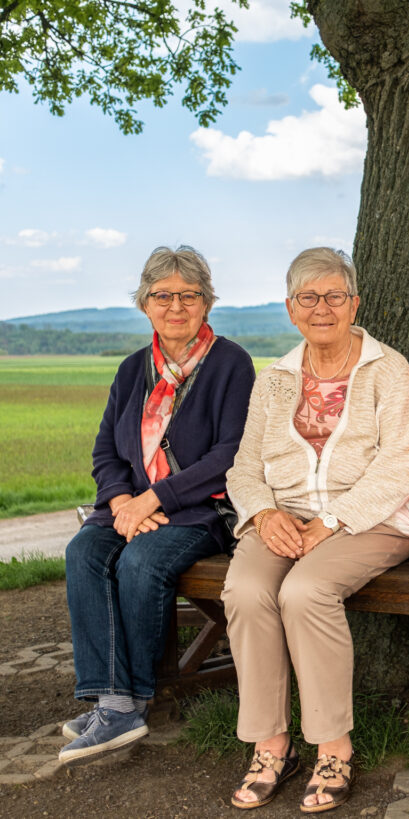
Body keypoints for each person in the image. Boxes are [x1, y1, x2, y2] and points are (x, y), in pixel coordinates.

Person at [222, 247, 409, 813]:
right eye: (309, 298)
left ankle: (334, 748)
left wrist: (332, 522)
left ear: (354, 303)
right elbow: (244, 466)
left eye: (335, 296)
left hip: (370, 517)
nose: (323, 308)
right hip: (284, 517)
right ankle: (270, 743)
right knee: (246, 589)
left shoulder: (389, 369)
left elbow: (400, 464)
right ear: (291, 309)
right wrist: (263, 514)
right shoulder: (276, 378)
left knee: (306, 592)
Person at [59, 246, 255, 766]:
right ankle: (111, 698)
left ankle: (127, 702)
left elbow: (230, 454)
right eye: (163, 295)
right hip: (131, 506)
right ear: (145, 303)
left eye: (189, 295)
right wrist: (124, 500)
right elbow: (105, 450)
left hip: (199, 512)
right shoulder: (131, 370)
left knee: (142, 562)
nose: (176, 306)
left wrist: (154, 498)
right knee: (84, 552)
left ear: (207, 303)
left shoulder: (230, 363)